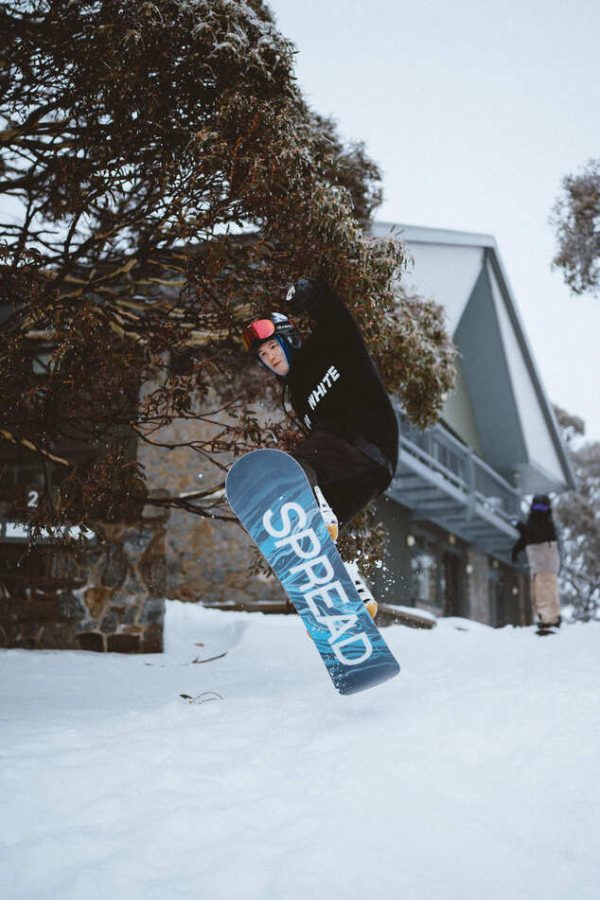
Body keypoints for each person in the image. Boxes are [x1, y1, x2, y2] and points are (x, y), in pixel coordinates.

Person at [242, 276, 399, 618]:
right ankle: (352, 589)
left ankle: (318, 508)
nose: (270, 358)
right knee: (306, 533)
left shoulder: (329, 346)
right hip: (364, 475)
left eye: (273, 348)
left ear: (289, 340)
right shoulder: (298, 395)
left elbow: (336, 315)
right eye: (264, 356)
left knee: (293, 470)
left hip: (369, 441)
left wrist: (312, 291)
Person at [511, 494, 562, 630]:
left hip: (546, 561)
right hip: (537, 563)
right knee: (537, 591)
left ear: (547, 508)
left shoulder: (546, 523)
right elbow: (526, 538)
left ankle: (551, 619)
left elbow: (534, 534)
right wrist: (515, 551)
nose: (539, 510)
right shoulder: (532, 522)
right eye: (537, 506)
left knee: (546, 588)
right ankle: (545, 617)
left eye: (542, 506)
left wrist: (520, 526)